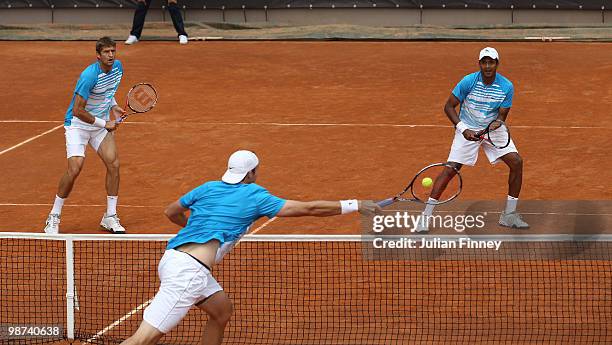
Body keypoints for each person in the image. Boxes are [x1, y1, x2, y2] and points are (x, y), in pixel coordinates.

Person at [119, 150, 380, 345]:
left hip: (172, 259)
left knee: (222, 311)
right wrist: (356, 204)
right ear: (252, 173)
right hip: (188, 274)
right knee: (142, 339)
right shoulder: (256, 196)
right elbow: (309, 208)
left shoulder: (208, 187)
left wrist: (197, 230)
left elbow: (171, 212)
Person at [417, 47, 528, 231]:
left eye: (491, 62)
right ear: (479, 64)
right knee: (451, 169)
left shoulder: (507, 86)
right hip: (467, 126)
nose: (487, 66)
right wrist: (463, 129)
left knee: (516, 162)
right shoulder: (468, 81)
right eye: (484, 62)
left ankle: (509, 215)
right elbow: (449, 106)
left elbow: (502, 116)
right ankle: (425, 217)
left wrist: (497, 124)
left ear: (497, 64)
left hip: (491, 130)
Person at [44, 37, 126, 234]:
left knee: (113, 164)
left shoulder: (118, 68)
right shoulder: (88, 76)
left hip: (99, 126)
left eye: (113, 51)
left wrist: (114, 107)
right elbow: (78, 111)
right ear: (98, 55)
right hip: (78, 126)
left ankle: (110, 216)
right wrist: (104, 123)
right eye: (106, 52)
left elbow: (107, 91)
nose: (111, 55)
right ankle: (53, 216)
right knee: (75, 167)